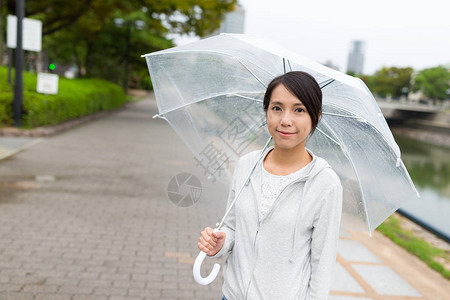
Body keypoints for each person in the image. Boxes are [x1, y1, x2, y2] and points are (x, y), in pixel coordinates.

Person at [198, 71, 343, 300]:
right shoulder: (247, 165)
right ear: (266, 111)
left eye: (299, 110)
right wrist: (222, 242)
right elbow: (233, 227)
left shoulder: (325, 184)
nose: (285, 120)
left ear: (316, 116)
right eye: (277, 108)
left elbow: (322, 265)